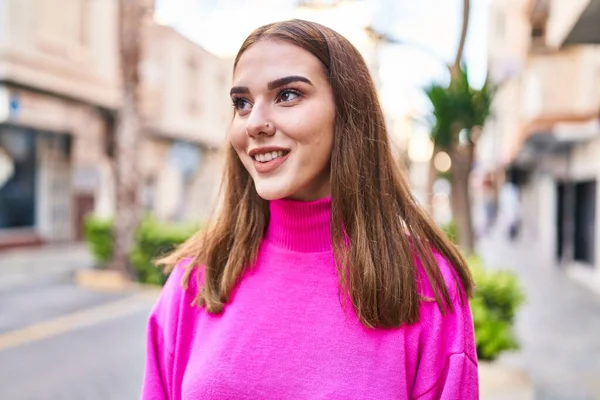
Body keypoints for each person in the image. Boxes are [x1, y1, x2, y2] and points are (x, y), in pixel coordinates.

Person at [141, 19, 478, 400]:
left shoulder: (427, 286)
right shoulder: (197, 279)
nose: (254, 123)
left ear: (348, 112)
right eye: (242, 103)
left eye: (287, 95)